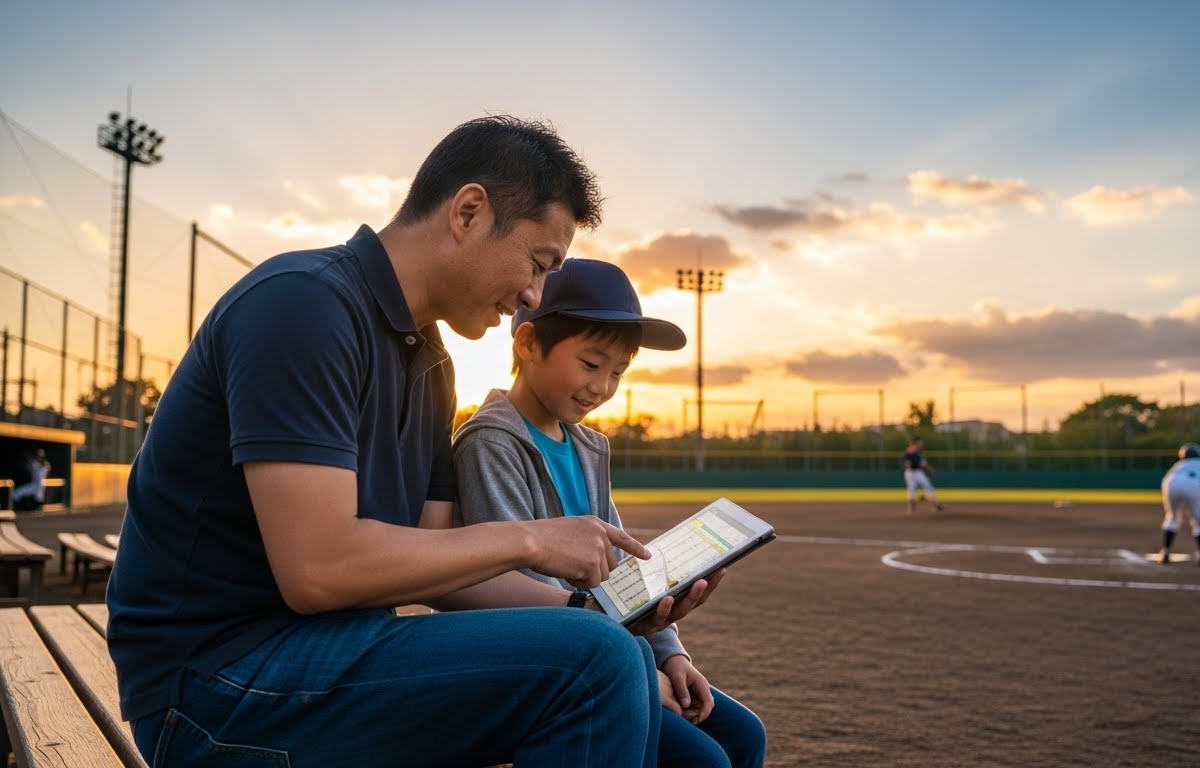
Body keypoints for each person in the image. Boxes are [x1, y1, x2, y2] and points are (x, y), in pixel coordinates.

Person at [106, 116, 718, 767]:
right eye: (537, 263)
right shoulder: (302, 305)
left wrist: (589, 607)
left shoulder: (431, 363)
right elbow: (317, 570)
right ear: (469, 212)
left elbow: (442, 571)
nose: (534, 294)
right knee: (592, 664)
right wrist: (534, 538)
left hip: (325, 660)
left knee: (705, 735)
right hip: (213, 686)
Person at [452, 258, 766, 768]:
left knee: (744, 735)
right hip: (557, 662)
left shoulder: (589, 447)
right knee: (704, 761)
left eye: (618, 372)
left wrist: (671, 654)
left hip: (611, 647)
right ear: (528, 344)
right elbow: (513, 586)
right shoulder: (491, 442)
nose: (602, 387)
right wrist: (640, 669)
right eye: (591, 364)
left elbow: (627, 571)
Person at [1157, 442, 1200, 566]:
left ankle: (1165, 552)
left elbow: (1168, 479)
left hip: (1170, 484)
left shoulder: (1178, 465)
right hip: (1192, 485)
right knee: (1199, 521)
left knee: (1172, 518)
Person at [902, 436, 943, 513]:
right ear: (916, 442)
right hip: (911, 472)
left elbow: (920, 462)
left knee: (925, 486)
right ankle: (912, 508)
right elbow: (913, 463)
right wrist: (929, 469)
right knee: (913, 489)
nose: (921, 443)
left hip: (917, 472)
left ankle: (936, 505)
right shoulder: (912, 450)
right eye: (920, 442)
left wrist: (928, 468)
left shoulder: (915, 450)